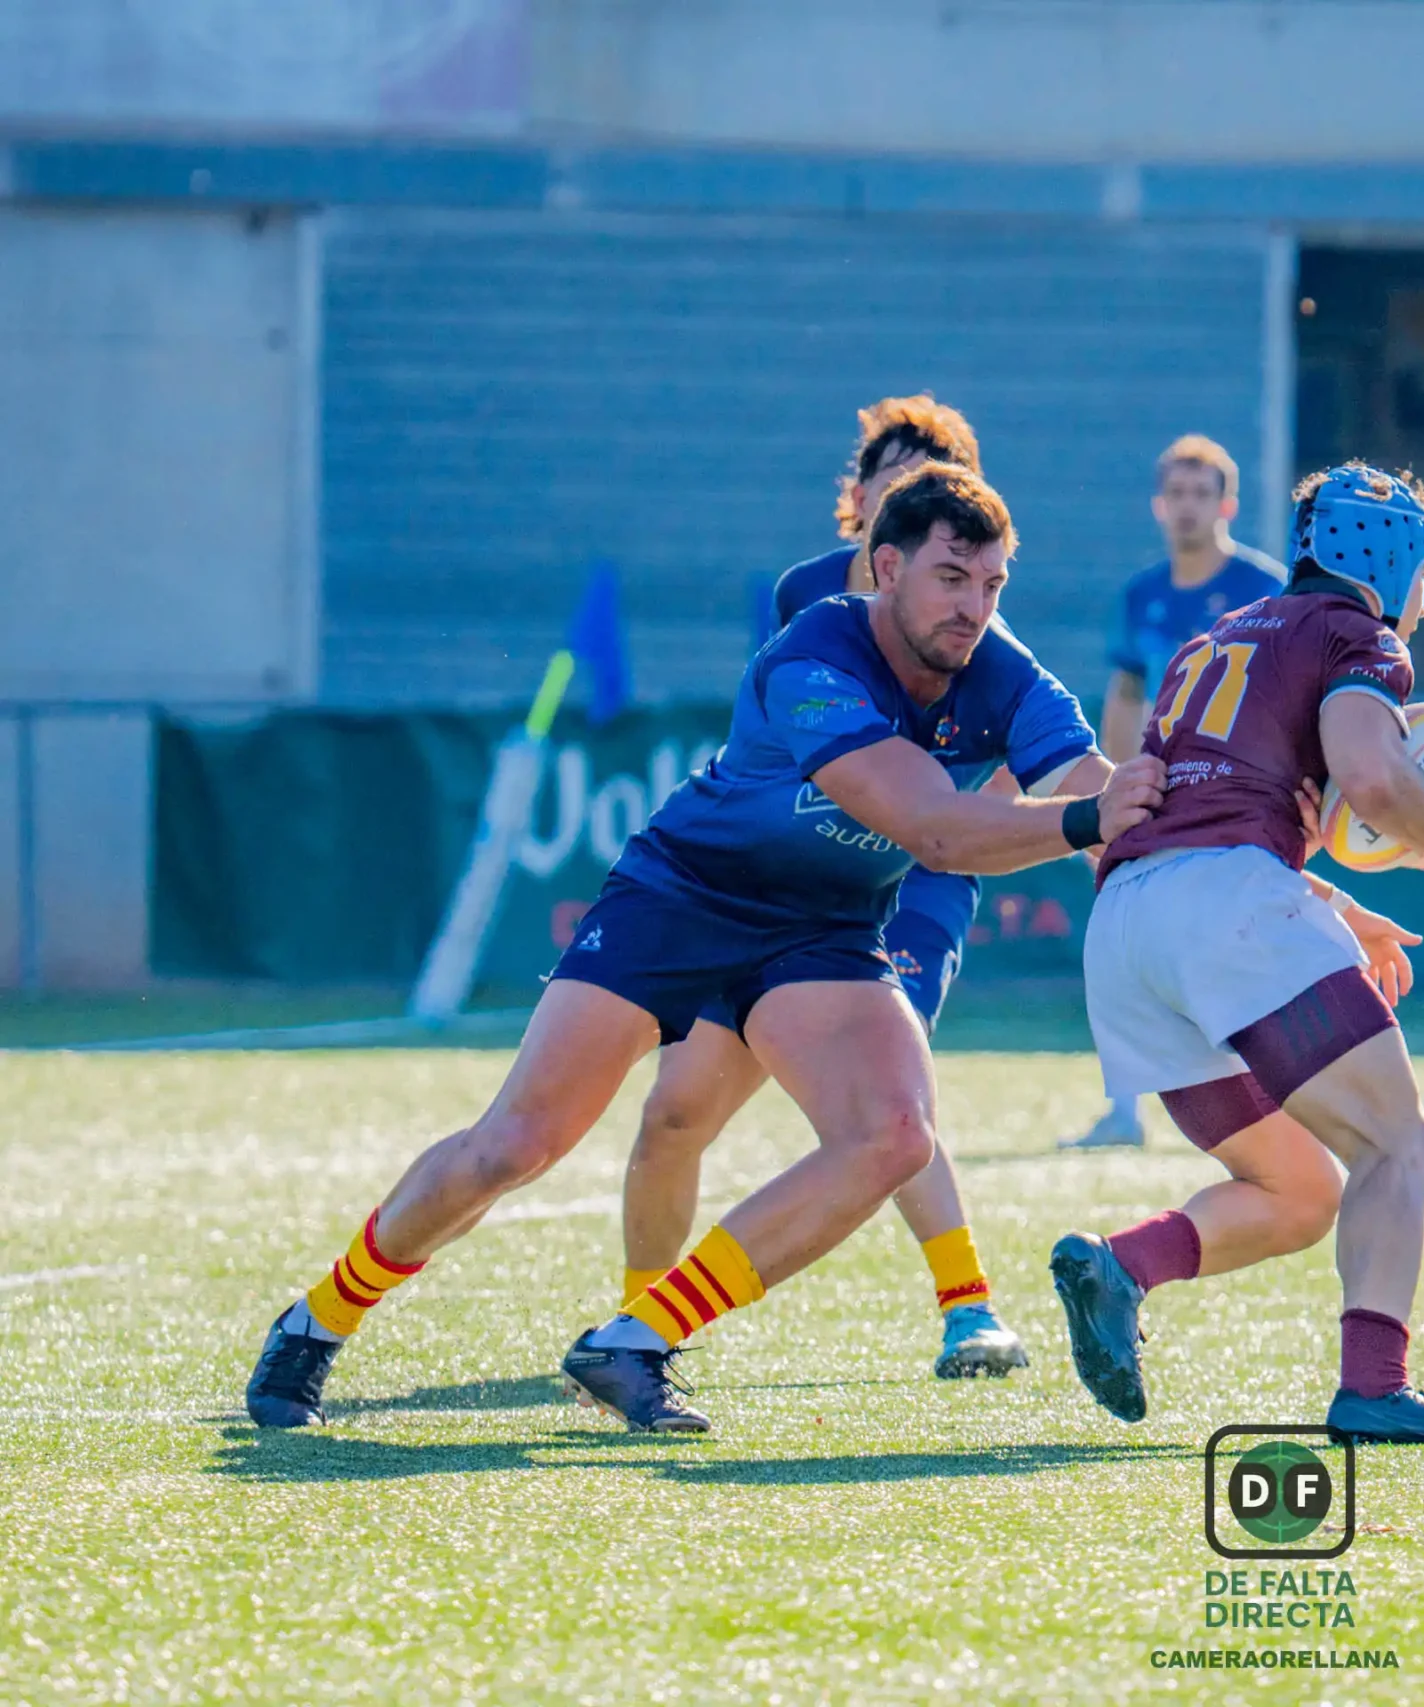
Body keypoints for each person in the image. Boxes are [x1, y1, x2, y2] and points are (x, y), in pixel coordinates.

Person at [244, 465, 1165, 1433]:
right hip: (684, 897)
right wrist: (1099, 816)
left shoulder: (1000, 670)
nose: (973, 607)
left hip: (821, 931)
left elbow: (1090, 781)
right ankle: (317, 1320)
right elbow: (935, 829)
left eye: (992, 586)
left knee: (894, 1136)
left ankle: (637, 1341)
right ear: (884, 567)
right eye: (950, 578)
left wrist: (1192, 827)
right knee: (514, 1144)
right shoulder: (814, 655)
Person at [1051, 462, 1424, 1445]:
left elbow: (1209, 814)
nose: (1423, 600)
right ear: (1391, 560)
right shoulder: (1358, 634)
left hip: (1127, 929)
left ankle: (1120, 1267)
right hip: (1226, 912)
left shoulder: (1211, 639)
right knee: (1402, 1145)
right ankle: (1375, 1390)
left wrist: (1334, 907)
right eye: (1423, 574)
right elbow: (1371, 780)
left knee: (1297, 1191)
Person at [616, 395, 1058, 1381]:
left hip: (919, 875)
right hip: (795, 888)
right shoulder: (807, 599)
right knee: (673, 1113)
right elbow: (797, 747)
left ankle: (967, 1307)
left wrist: (964, 828)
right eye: (885, 479)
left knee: (885, 1104)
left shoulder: (973, 624)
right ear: (857, 501)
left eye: (926, 481)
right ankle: (631, 1329)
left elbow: (1024, 763)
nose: (899, 496)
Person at [1065, 434, 1287, 1150]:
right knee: (1119, 942)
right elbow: (1127, 691)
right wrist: (1112, 786)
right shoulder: (1141, 595)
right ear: (1159, 506)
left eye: (1203, 493)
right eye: (1177, 494)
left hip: (1239, 796)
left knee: (1248, 946)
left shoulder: (1265, 589)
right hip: (1160, 794)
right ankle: (1125, 1111)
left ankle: (1279, 1102)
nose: (1188, 508)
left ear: (1227, 504)